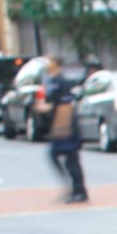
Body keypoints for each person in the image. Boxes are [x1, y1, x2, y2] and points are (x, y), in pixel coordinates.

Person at [37, 57, 86, 204]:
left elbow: (65, 106)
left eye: (49, 61)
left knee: (71, 159)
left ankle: (79, 191)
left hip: (66, 126)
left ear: (56, 64)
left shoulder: (62, 82)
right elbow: (54, 103)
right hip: (58, 125)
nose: (47, 64)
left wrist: (61, 127)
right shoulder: (51, 81)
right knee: (57, 156)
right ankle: (71, 187)